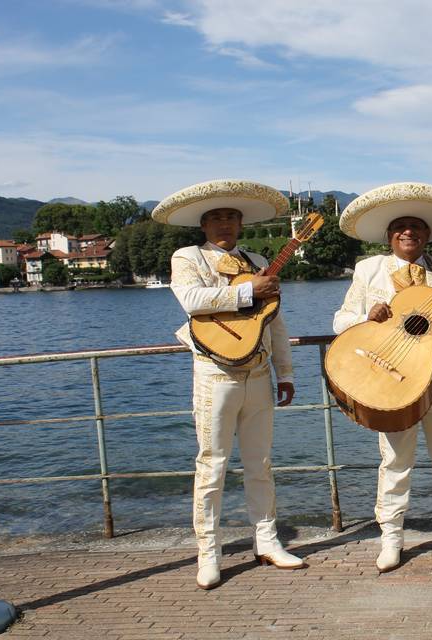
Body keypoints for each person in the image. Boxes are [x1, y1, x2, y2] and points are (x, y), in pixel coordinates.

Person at [153, 179, 305, 590]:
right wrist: (245, 290)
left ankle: (268, 540)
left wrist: (285, 372)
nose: (224, 223)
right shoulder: (188, 257)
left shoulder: (257, 259)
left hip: (258, 373)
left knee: (261, 464)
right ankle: (208, 552)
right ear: (203, 225)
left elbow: (274, 320)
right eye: (216, 218)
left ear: (241, 224)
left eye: (231, 217)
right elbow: (190, 300)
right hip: (214, 374)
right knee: (212, 465)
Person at [332, 182, 432, 572]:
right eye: (400, 227)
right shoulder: (369, 270)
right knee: (395, 461)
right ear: (389, 235)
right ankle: (391, 537)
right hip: (392, 380)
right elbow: (341, 320)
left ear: (427, 234)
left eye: (416, 227)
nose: (408, 233)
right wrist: (368, 318)